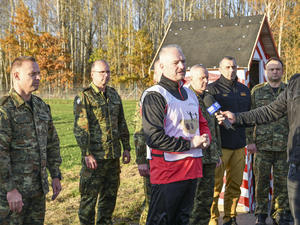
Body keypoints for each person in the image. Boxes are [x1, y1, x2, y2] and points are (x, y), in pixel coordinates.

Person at [216, 72, 300, 225]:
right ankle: (261, 215)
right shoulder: (295, 85)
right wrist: (237, 118)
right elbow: (270, 111)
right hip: (296, 162)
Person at [141, 45, 211, 225]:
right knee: (160, 221)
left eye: (183, 61)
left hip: (192, 169)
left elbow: (201, 124)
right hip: (168, 172)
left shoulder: (190, 94)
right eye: (176, 62)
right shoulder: (155, 95)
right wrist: (190, 144)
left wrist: (205, 137)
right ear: (162, 67)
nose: (181, 66)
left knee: (182, 219)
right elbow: (154, 138)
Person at [0, 56, 62, 224]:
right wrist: (10, 189)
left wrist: (55, 174)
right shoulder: (5, 110)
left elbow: (51, 142)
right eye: (33, 74)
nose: (39, 78)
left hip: (37, 191)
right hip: (11, 195)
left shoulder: (41, 107)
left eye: (39, 73)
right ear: (16, 75)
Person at [73, 60, 131, 225]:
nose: (106, 75)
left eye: (108, 72)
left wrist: (126, 147)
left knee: (109, 198)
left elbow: (121, 123)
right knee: (89, 200)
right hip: (95, 159)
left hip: (113, 157)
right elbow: (80, 128)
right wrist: (87, 153)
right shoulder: (84, 97)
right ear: (92, 74)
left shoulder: (114, 95)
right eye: (101, 72)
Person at [246, 58, 291, 225]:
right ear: (265, 72)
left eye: (277, 69)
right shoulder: (256, 92)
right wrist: (250, 140)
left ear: (282, 71)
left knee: (282, 182)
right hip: (262, 146)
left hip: (284, 146)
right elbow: (250, 117)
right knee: (261, 182)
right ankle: (260, 215)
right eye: (271, 69)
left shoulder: (289, 91)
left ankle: (279, 213)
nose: (274, 72)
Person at [207, 56, 251, 225]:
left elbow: (250, 116)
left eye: (233, 67)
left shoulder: (244, 90)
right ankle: (212, 220)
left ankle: (230, 218)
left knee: (235, 185)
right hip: (220, 147)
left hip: (239, 145)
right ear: (220, 69)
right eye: (227, 67)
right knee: (215, 187)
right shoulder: (212, 90)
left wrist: (250, 140)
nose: (231, 70)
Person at [188, 65, 222, 225]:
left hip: (209, 157)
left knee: (206, 198)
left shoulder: (209, 98)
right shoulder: (185, 97)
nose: (206, 81)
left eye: (207, 77)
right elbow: (187, 130)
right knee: (193, 199)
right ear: (191, 79)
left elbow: (215, 127)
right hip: (194, 156)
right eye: (201, 78)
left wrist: (217, 153)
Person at [133, 59, 162, 225]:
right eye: (160, 71)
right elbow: (139, 132)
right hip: (152, 161)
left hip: (170, 161)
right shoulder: (149, 96)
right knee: (152, 203)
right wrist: (142, 160)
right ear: (155, 75)